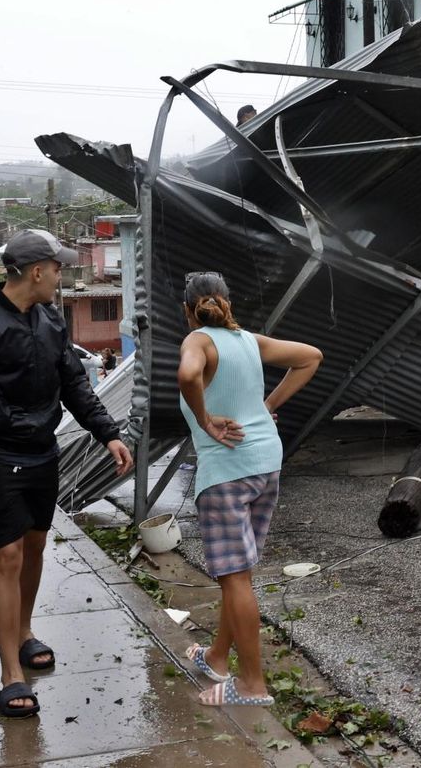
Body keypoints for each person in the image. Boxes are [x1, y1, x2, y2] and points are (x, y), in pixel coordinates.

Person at [0, 228, 134, 719]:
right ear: (36, 272)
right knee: (4, 555)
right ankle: (11, 673)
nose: (63, 276)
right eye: (58, 269)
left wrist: (107, 432)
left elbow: (73, 382)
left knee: (33, 546)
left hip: (41, 453)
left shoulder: (50, 319)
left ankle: (24, 631)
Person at [177, 272, 321, 706]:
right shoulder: (248, 341)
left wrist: (204, 419)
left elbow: (188, 376)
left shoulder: (198, 342)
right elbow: (311, 356)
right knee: (237, 575)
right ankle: (218, 657)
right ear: (226, 302)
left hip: (226, 473)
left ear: (188, 310)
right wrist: (269, 405)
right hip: (266, 466)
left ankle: (253, 685)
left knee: (235, 577)